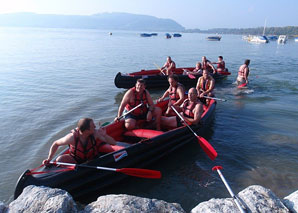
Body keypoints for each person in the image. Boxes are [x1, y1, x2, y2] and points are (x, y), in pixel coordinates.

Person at [42, 118, 116, 165]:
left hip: (92, 159)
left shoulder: (95, 133)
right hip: (76, 160)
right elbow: (55, 143)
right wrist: (49, 158)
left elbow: (113, 143)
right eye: (93, 126)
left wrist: (104, 135)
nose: (95, 127)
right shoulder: (71, 138)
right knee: (60, 159)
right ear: (87, 130)